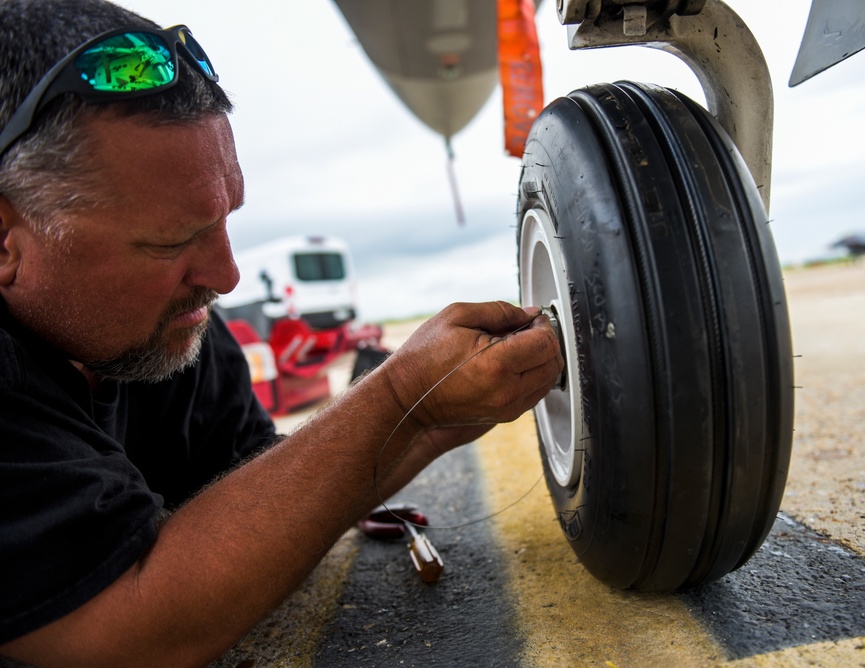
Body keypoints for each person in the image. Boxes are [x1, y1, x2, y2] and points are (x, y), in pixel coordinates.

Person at [0, 1, 564, 665]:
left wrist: (426, 413)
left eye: (224, 218)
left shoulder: (166, 335)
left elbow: (261, 488)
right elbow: (126, 629)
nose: (226, 274)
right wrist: (397, 397)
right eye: (170, 241)